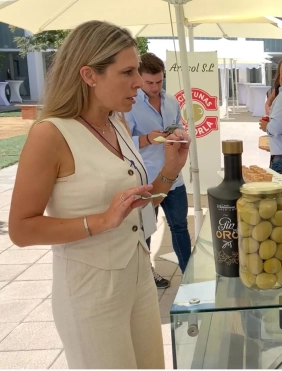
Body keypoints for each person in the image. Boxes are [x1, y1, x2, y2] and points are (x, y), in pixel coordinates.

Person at [8, 21, 190, 368]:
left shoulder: (117, 124)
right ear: (89, 75)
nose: (139, 82)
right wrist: (101, 221)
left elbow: (137, 207)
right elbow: (21, 229)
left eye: (137, 70)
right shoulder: (51, 134)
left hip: (138, 279)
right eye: (127, 72)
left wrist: (169, 171)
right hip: (90, 291)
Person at [126, 52, 192, 283]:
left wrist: (180, 133)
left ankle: (189, 276)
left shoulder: (171, 101)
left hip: (174, 178)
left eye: (159, 81)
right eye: (149, 82)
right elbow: (122, 142)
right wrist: (146, 139)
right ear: (139, 78)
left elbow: (178, 124)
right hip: (146, 180)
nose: (155, 87)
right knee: (144, 231)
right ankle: (146, 276)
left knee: (180, 228)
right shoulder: (129, 104)